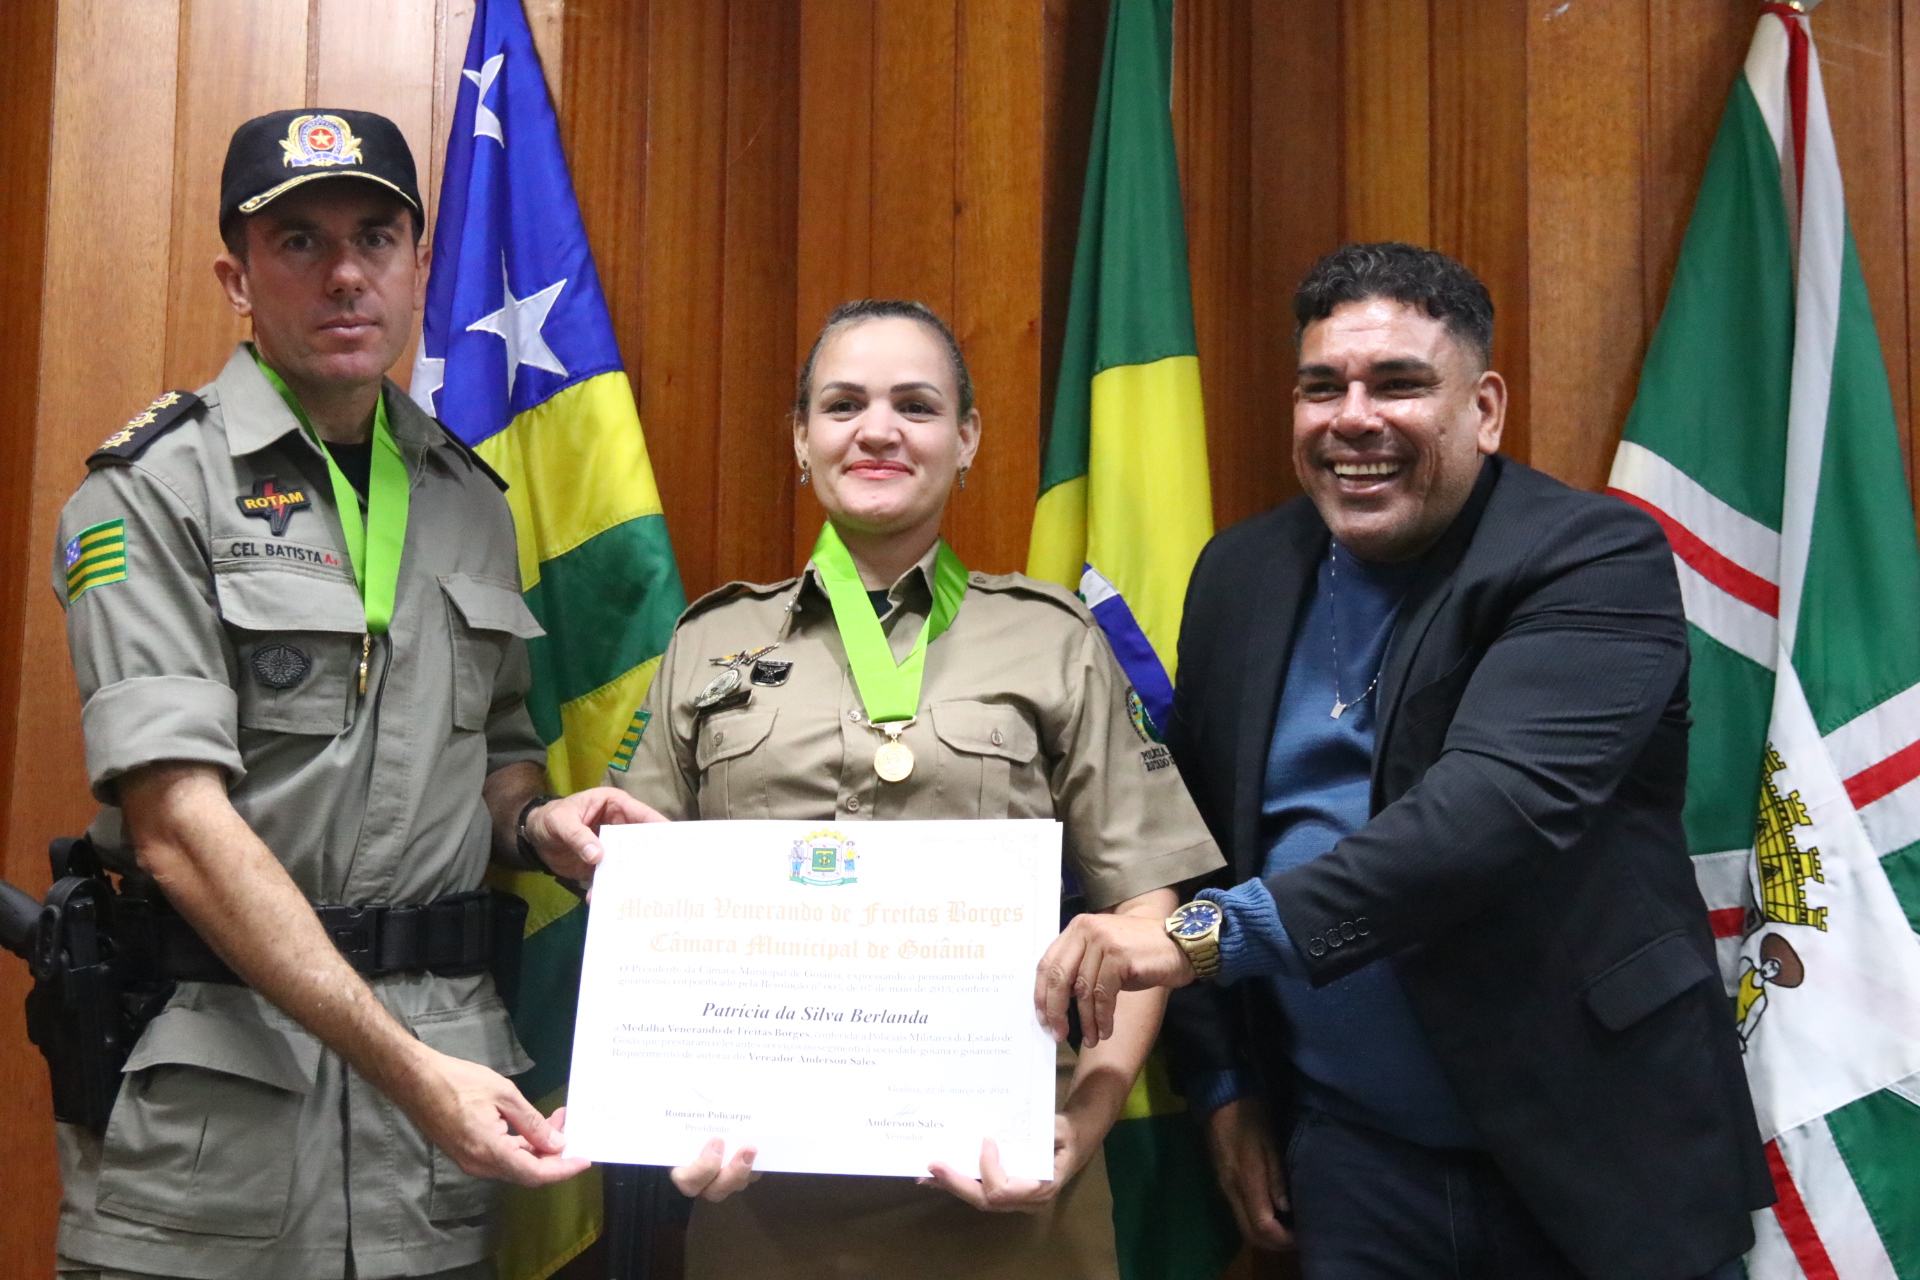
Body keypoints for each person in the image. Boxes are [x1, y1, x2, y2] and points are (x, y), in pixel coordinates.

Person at [1037, 243, 1773, 1280]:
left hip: (1594, 1152)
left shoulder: (1593, 558)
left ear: (1485, 407)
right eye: (1321, 385)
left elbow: (1489, 813)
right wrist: (1227, 1087)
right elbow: (1195, 837)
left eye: (1398, 382)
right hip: (1354, 1162)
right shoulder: (1240, 574)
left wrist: (1203, 941)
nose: (1353, 417)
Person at [52, 109, 642, 1279]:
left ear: (420, 263)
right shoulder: (150, 491)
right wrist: (414, 1075)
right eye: (299, 242)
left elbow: (496, 754)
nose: (344, 273)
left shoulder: (472, 498)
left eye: (376, 236)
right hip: (224, 1134)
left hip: (431, 1149)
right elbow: (178, 827)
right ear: (239, 275)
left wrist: (536, 821)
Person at [609, 299, 1225, 1279]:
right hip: (767, 1193)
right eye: (844, 403)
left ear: (966, 437)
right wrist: (671, 1108)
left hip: (1008, 1182)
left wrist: (1084, 1121)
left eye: (917, 404)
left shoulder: (1053, 638)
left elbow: (1147, 898)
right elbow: (640, 905)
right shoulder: (710, 643)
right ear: (801, 439)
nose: (879, 429)